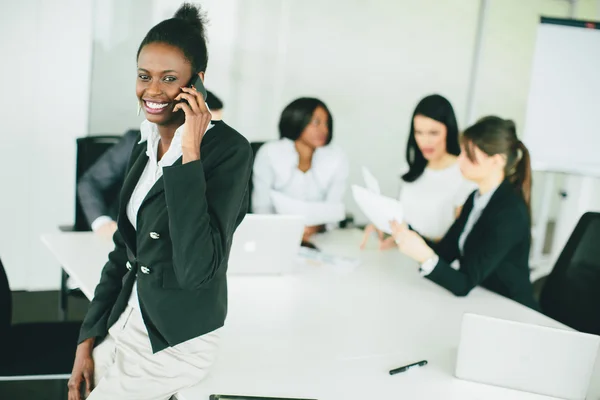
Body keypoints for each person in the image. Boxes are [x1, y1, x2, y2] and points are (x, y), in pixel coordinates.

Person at [68, 4, 252, 399]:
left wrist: (189, 153)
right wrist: (89, 338)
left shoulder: (229, 151)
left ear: (197, 82)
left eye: (169, 79)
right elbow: (123, 252)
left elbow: (196, 270)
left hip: (174, 340)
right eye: (144, 76)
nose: (152, 91)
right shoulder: (145, 140)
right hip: (125, 319)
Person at [390, 116, 538, 310]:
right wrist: (407, 232)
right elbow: (445, 252)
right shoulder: (475, 198)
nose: (460, 159)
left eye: (468, 155)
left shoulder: (510, 212)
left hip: (510, 310)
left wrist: (425, 256)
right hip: (482, 301)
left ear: (497, 161)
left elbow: (464, 284)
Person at [78, 90, 225, 240]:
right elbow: (90, 182)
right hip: (126, 238)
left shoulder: (216, 154)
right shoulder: (135, 142)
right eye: (205, 125)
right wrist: (101, 223)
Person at [360, 94, 475, 250]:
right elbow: (405, 220)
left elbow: (457, 241)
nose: (424, 141)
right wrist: (386, 229)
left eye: (433, 133)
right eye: (419, 132)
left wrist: (413, 240)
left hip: (436, 262)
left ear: (449, 131)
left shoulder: (464, 175)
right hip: (403, 256)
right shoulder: (410, 170)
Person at [252, 97, 349, 243]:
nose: (324, 130)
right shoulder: (269, 153)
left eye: (326, 123)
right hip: (274, 236)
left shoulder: (336, 157)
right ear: (297, 120)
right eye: (316, 122)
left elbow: (333, 210)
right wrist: (287, 230)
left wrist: (312, 229)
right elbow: (261, 208)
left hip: (319, 237)